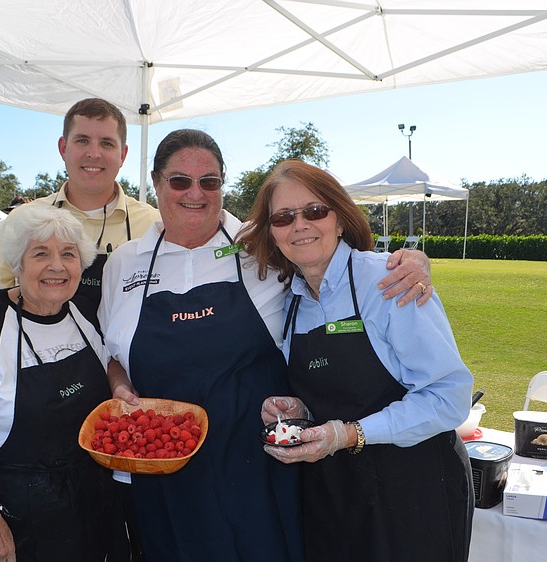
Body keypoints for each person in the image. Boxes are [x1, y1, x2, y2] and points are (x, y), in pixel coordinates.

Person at [100, 130, 434, 561]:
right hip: (165, 463)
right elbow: (112, 354)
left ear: (224, 184)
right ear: (156, 182)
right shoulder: (124, 262)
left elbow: (334, 262)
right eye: (180, 181)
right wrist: (119, 388)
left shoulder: (261, 244)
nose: (195, 194)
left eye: (210, 182)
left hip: (258, 464)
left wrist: (411, 262)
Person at [239, 160, 475, 562]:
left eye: (315, 211)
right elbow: (337, 394)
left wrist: (348, 434)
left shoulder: (389, 282)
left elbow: (448, 397)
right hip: (336, 497)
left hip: (414, 492)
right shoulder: (293, 300)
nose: (300, 225)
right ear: (273, 233)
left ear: (341, 219)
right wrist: (300, 410)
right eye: (283, 217)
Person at [0, 204, 118, 561]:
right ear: (17, 263)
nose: (57, 266)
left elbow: (111, 364)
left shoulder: (85, 312)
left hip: (85, 509)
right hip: (6, 514)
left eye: (68, 254)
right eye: (41, 254)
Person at [0, 98, 160, 309]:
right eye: (82, 140)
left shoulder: (154, 225)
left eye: (107, 143)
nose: (94, 153)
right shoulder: (22, 220)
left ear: (123, 155)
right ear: (63, 148)